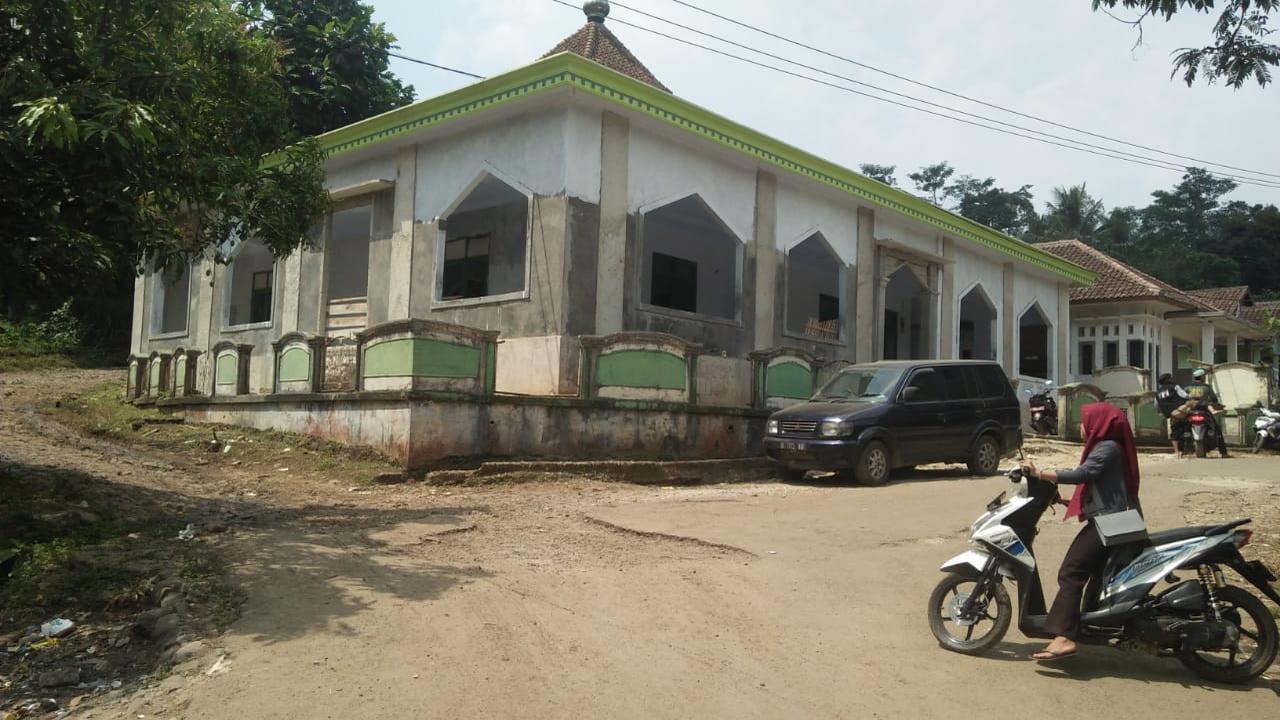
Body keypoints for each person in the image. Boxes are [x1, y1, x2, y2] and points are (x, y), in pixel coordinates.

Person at [1020, 403, 1141, 662]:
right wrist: (1067, 500)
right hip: (1116, 519)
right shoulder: (1110, 448)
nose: (1082, 427)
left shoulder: (1106, 447)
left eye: (1086, 421)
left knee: (1071, 571)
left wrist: (1039, 473)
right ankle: (1089, 626)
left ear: (1100, 423)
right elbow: (1103, 485)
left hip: (1111, 522)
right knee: (1095, 574)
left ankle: (1063, 638)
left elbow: (1083, 474)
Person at [1185, 368, 1230, 458]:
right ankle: (1223, 452)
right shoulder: (1207, 387)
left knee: (1183, 428)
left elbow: (1182, 398)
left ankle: (1183, 451)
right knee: (1217, 430)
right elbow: (1214, 400)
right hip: (1204, 411)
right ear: (1202, 377)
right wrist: (1216, 405)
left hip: (1190, 411)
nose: (1204, 378)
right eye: (1204, 376)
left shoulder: (1187, 387)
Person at [1155, 373, 1191, 455]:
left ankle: (1176, 451)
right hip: (1181, 411)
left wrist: (1163, 413)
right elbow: (1185, 396)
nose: (1172, 379)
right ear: (1167, 380)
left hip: (1171, 415)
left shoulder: (1157, 393)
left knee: (1174, 432)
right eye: (1170, 378)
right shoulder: (1174, 386)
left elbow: (1156, 405)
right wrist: (1191, 396)